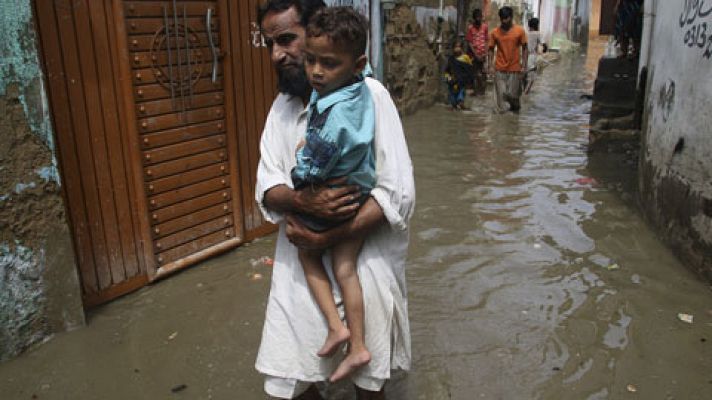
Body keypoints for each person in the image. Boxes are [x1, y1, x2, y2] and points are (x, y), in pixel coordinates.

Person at [255, 1, 415, 399]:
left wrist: (333, 233)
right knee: (290, 376)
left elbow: (398, 192)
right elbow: (267, 185)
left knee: (369, 381)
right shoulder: (282, 108)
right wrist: (305, 203)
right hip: (300, 266)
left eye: (287, 40)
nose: (278, 55)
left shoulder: (371, 98)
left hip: (365, 262)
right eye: (270, 44)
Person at [291, 6, 375, 383]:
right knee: (346, 269)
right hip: (359, 192)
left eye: (328, 64)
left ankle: (335, 326)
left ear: (355, 64)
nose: (316, 72)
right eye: (310, 60)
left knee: (307, 252)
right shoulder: (360, 85)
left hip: (333, 196)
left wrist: (298, 170)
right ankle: (357, 346)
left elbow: (315, 165)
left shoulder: (333, 115)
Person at [488, 6, 528, 113]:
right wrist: (490, 66)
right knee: (501, 96)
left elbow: (525, 48)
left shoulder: (519, 31)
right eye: (502, 18)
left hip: (515, 68)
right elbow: (491, 49)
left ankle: (515, 111)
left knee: (513, 96)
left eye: (506, 18)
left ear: (511, 17)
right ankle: (503, 124)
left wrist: (524, 65)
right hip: (499, 68)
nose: (504, 21)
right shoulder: (495, 32)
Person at [444, 41, 473, 110]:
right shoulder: (451, 59)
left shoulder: (466, 57)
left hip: (461, 82)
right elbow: (447, 71)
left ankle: (461, 103)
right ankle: (455, 106)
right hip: (452, 82)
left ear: (462, 48)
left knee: (461, 96)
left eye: (459, 47)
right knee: (453, 102)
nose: (457, 49)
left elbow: (470, 70)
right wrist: (448, 78)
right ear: (453, 48)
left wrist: (470, 85)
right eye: (455, 47)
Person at [465, 8, 488, 96]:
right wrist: (476, 55)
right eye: (477, 17)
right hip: (474, 54)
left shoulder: (485, 27)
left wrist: (485, 53)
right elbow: (470, 43)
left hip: (483, 54)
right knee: (475, 73)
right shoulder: (471, 28)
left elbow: (486, 40)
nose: (479, 19)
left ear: (482, 17)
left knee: (483, 73)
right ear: (474, 18)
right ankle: (475, 90)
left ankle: (482, 91)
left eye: (480, 17)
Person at [523, 17, 545, 94]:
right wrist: (544, 49)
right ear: (536, 25)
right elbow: (544, 45)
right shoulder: (538, 33)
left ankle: (523, 91)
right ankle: (525, 94)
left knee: (525, 76)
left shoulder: (525, 33)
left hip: (524, 57)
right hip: (532, 57)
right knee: (532, 78)